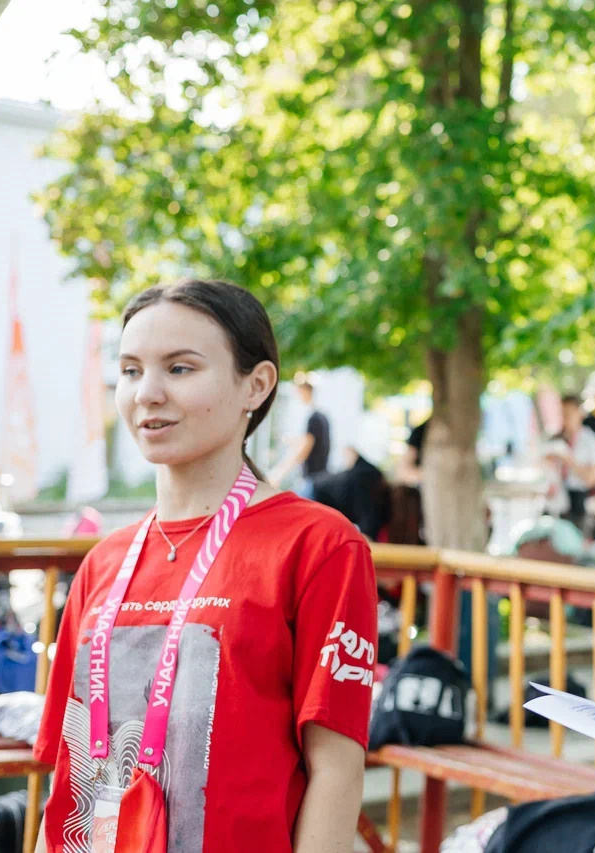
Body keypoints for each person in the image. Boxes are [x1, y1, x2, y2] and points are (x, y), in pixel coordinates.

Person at [33, 279, 377, 853]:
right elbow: (69, 774)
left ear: (256, 385)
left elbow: (336, 771)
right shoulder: (103, 564)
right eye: (131, 370)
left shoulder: (320, 546)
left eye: (181, 368)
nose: (147, 392)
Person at [543, 394, 595, 534]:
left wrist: (569, 461)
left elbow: (592, 479)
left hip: (578, 503)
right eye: (562, 413)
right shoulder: (554, 439)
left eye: (569, 414)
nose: (565, 418)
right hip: (554, 502)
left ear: (579, 414)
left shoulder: (591, 441)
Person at [310, 447, 393, 541]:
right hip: (314, 495)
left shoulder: (374, 474)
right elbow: (367, 539)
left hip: (315, 484)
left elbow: (349, 450)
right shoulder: (374, 506)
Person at [273, 375, 331, 495]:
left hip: (313, 480)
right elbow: (309, 441)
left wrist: (279, 473)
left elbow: (304, 449)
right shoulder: (321, 417)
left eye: (298, 391)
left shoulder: (314, 418)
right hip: (321, 478)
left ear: (305, 391)